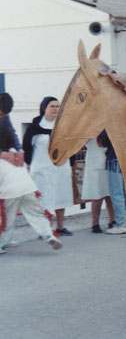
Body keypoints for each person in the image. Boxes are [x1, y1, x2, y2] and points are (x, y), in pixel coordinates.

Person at [0, 126, 62, 254]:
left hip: (9, 191)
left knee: (7, 218)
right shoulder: (17, 153)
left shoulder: (3, 157)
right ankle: (48, 235)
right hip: (28, 187)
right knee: (36, 214)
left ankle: (2, 243)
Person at [23, 97, 74, 236]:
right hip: (42, 170)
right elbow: (27, 147)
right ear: (44, 108)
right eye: (52, 106)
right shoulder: (35, 127)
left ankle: (60, 227)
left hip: (60, 168)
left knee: (61, 197)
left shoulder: (63, 125)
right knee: (43, 200)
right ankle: (45, 229)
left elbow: (71, 146)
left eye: (57, 106)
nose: (55, 109)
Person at [97, 131, 126, 234]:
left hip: (114, 159)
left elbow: (100, 143)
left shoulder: (108, 127)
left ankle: (121, 224)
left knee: (117, 194)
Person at [81, 136, 115, 233]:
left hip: (108, 161)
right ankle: (95, 223)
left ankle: (112, 220)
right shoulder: (88, 130)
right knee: (97, 196)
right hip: (94, 164)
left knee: (110, 195)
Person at [0, 93, 24, 167]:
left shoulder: (5, 116)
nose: (1, 117)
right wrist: (1, 154)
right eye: (0, 114)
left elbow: (12, 133)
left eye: (4, 115)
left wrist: (19, 150)